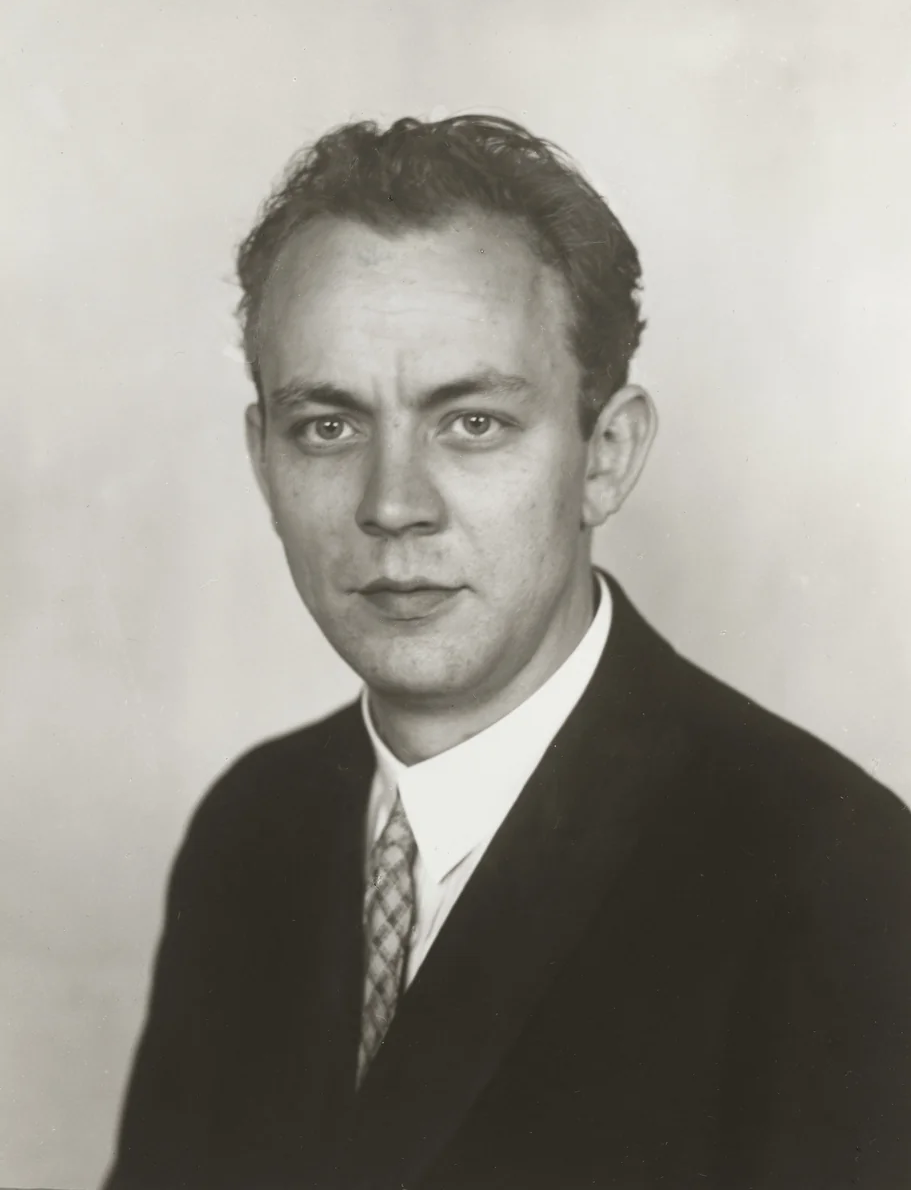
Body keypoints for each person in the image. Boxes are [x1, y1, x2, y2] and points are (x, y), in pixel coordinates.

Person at [104, 115, 911, 1190]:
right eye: (328, 427)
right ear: (263, 463)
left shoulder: (832, 876)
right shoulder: (250, 830)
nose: (393, 505)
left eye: (471, 422)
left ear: (604, 457)